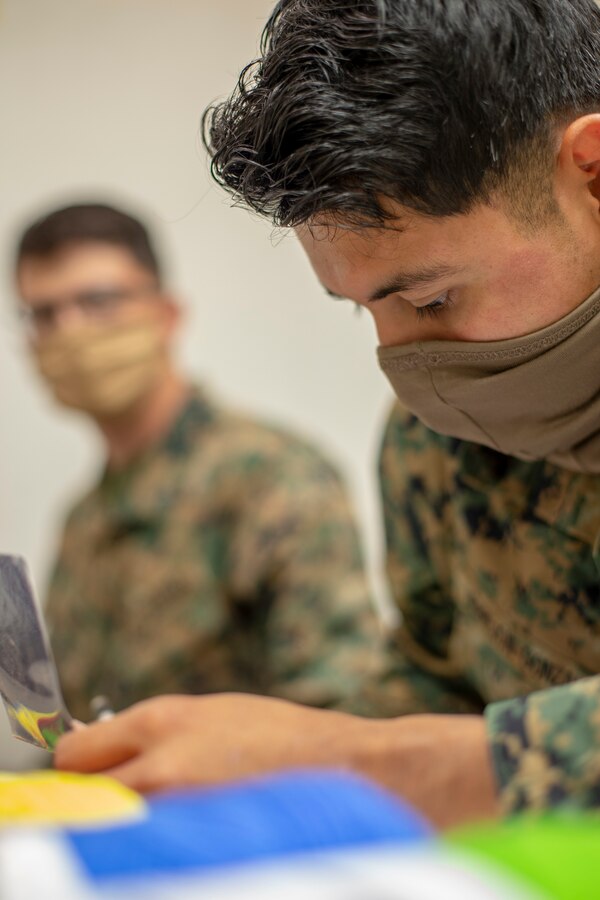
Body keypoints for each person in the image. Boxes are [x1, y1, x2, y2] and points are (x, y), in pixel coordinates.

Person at [56, 0, 600, 827]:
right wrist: (253, 760)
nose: (401, 359)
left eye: (432, 298)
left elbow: (404, 754)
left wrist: (353, 761)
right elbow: (435, 685)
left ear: (590, 175)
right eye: (361, 309)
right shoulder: (437, 442)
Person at [15, 201, 379, 722]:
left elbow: (340, 719)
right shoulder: (84, 522)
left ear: (166, 314)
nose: (70, 331)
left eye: (98, 301)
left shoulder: (271, 478)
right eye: (44, 314)